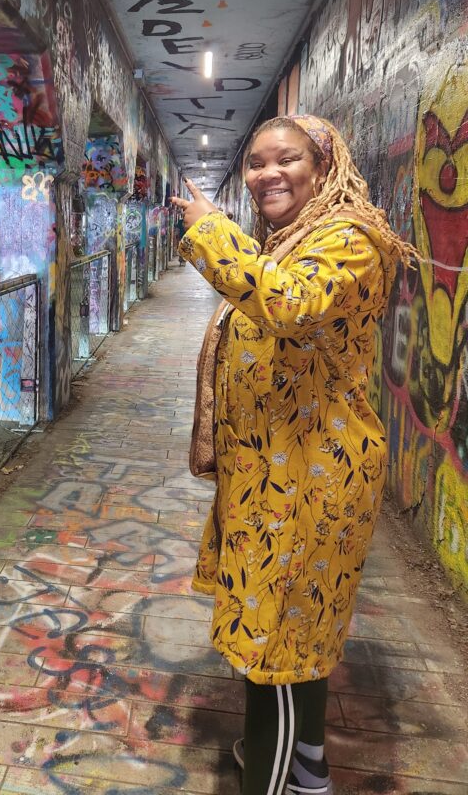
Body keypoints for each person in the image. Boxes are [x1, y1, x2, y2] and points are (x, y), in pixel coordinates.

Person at [170, 115, 416, 795]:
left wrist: (210, 228)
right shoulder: (295, 239)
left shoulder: (352, 239)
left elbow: (288, 305)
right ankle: (307, 769)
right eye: (255, 162)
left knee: (274, 650)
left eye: (286, 160)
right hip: (273, 476)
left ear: (324, 165)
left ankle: (276, 775)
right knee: (290, 639)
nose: (267, 174)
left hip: (309, 479)